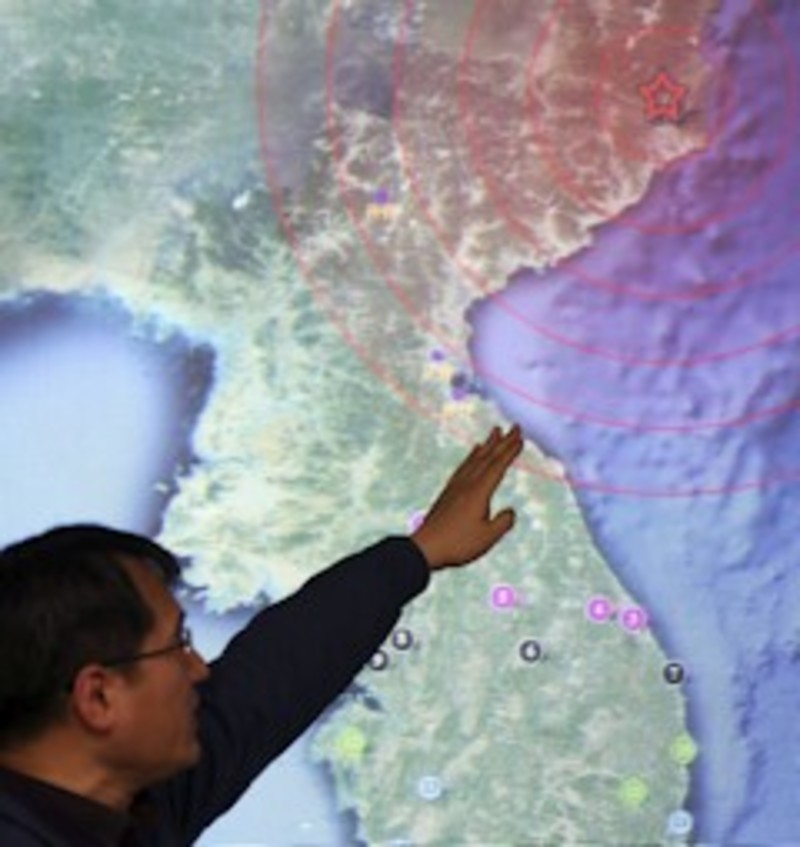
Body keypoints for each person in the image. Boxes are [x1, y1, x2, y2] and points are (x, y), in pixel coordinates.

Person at [0, 425, 523, 846]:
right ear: (98, 697)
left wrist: (418, 554)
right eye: (177, 645)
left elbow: (267, 681)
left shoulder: (127, 807)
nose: (198, 670)